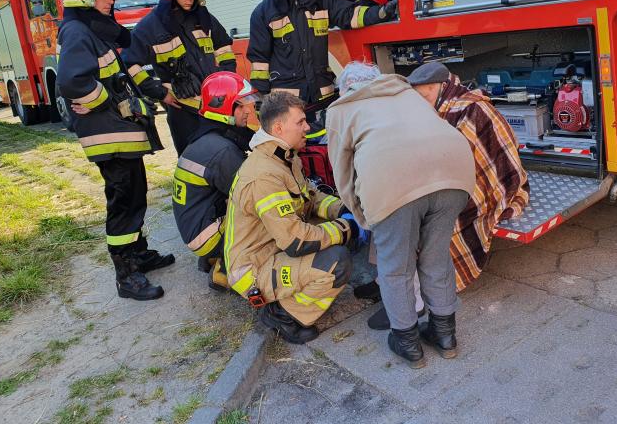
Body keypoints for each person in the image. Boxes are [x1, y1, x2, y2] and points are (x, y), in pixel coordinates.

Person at [326, 62, 475, 368]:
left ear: (344, 89)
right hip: (455, 172)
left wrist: (365, 216)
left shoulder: (342, 109)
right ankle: (445, 335)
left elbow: (342, 175)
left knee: (395, 268)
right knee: (435, 258)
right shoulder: (405, 92)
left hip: (394, 181)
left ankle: (407, 343)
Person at [57, 0, 173, 301]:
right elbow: (71, 81)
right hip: (108, 136)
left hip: (119, 133)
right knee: (123, 202)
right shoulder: (78, 32)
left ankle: (138, 254)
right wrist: (108, 99)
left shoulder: (95, 29)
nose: (112, 1)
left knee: (135, 194)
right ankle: (127, 277)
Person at [223, 92, 359, 344]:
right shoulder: (264, 175)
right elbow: (297, 242)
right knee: (336, 261)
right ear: (278, 127)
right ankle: (283, 314)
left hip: (272, 247)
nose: (308, 127)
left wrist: (342, 209)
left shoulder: (283, 157)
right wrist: (346, 227)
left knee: (333, 240)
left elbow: (310, 196)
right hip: (254, 268)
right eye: (301, 122)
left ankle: (288, 299)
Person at [408, 62, 530, 290]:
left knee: (443, 217)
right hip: (447, 176)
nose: (422, 103)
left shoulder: (472, 109)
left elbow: (474, 163)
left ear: (442, 86)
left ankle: (437, 286)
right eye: (418, 97)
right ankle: (406, 282)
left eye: (426, 96)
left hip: (493, 180)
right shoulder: (430, 110)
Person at [247, 0, 398, 105]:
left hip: (323, 98)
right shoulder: (263, 13)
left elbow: (349, 15)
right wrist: (263, 107)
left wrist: (381, 13)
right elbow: (259, 66)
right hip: (288, 106)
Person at [123, 0, 237, 154]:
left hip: (217, 106)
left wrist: (226, 82)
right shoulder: (150, 26)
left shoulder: (204, 18)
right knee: (194, 162)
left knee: (226, 157)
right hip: (183, 112)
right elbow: (129, 65)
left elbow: (224, 49)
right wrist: (161, 92)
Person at [172, 71, 260, 289]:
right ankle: (224, 269)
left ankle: (213, 255)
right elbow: (253, 194)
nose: (248, 110)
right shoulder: (222, 151)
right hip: (207, 236)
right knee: (263, 214)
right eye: (242, 105)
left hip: (198, 228)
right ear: (225, 107)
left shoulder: (207, 138)